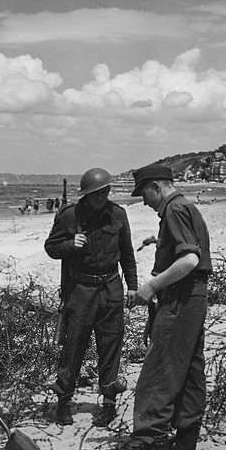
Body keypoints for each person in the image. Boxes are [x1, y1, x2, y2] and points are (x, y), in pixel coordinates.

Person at [114, 164, 212, 450]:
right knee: (189, 373)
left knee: (158, 375)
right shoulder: (186, 208)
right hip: (194, 299)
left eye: (144, 194)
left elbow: (190, 260)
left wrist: (152, 286)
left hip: (181, 298)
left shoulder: (174, 210)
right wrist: (162, 242)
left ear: (156, 187)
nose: (143, 202)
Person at [44, 167, 137, 427]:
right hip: (80, 290)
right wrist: (69, 245)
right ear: (87, 194)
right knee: (74, 346)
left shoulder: (118, 215)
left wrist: (132, 286)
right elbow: (51, 247)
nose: (102, 197)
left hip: (110, 287)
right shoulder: (69, 215)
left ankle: (108, 402)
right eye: (97, 193)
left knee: (111, 344)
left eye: (105, 192)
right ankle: (64, 401)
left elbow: (127, 254)